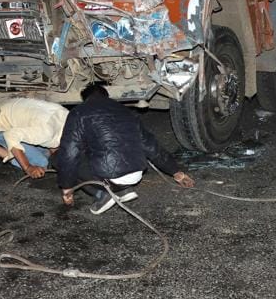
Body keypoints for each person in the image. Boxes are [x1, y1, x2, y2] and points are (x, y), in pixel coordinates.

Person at [56, 81, 195, 215]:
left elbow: (69, 153)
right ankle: (124, 190)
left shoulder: (79, 112)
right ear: (106, 96)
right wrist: (177, 173)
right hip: (136, 174)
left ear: (85, 98)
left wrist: (67, 187)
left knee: (60, 157)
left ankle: (103, 194)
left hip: (111, 177)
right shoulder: (126, 111)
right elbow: (152, 147)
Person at [0, 97, 69, 179]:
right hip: (0, 127)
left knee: (47, 152)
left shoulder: (68, 116)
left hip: (6, 111)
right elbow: (11, 136)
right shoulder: (46, 132)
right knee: (41, 164)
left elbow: (54, 145)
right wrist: (28, 167)